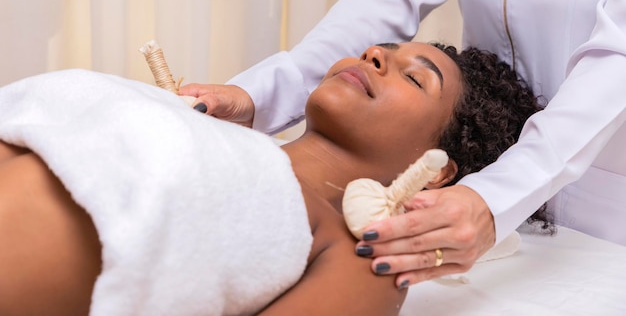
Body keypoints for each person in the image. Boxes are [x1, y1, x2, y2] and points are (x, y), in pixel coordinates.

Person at [179, 0, 626, 287]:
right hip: (474, 181)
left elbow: (616, 59)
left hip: (603, 208)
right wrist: (262, 92)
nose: (373, 56)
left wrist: (497, 197)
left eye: (417, 78)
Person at [0, 42, 543, 316]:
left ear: (439, 171)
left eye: (413, 77)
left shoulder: (367, 252)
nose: (376, 54)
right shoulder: (206, 131)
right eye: (384, 48)